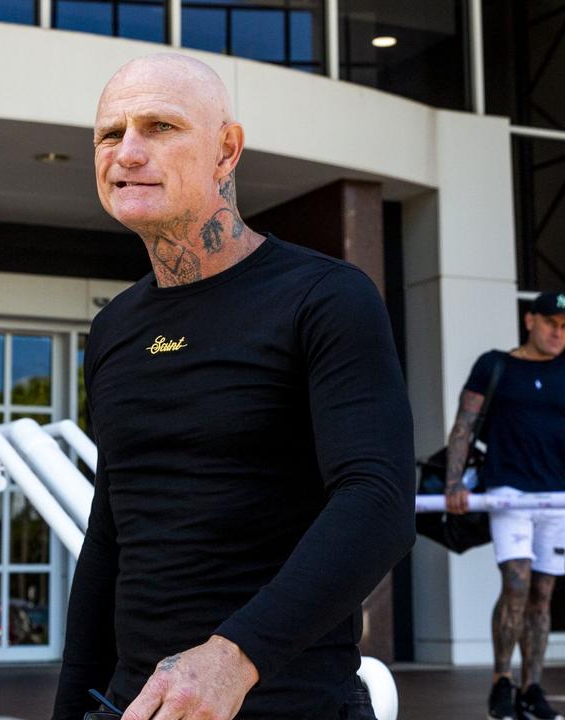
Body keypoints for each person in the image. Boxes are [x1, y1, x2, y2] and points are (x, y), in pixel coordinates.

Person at [50, 53, 415, 720]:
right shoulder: (114, 329)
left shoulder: (324, 298)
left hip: (291, 701)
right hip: (138, 704)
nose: (128, 152)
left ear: (227, 150)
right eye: (110, 133)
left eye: (161, 126)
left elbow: (379, 501)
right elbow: (110, 534)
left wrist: (233, 657)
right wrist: (72, 704)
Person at [444, 291, 565, 720]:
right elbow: (463, 426)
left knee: (542, 594)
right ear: (530, 320)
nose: (558, 331)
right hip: (508, 493)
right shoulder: (495, 364)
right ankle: (502, 681)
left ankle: (531, 687)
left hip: (557, 496)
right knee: (516, 586)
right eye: (551, 322)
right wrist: (453, 485)